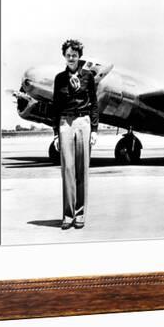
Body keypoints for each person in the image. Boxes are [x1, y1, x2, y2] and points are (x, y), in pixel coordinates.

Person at [52, 39, 98, 230]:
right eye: (68, 55)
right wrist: (56, 133)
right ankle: (67, 215)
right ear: (64, 56)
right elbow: (55, 107)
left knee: (82, 171)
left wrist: (94, 130)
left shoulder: (88, 77)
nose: (71, 58)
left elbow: (94, 104)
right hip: (65, 123)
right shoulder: (59, 79)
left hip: (83, 122)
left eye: (75, 55)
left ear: (79, 56)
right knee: (67, 171)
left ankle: (80, 215)